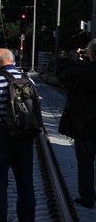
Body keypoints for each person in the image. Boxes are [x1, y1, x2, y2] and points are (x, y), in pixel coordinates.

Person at [0, 48, 36, 221]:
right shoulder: (27, 79)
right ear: (12, 60)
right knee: (25, 183)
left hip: (1, 135)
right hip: (24, 135)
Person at [56, 39, 96, 209]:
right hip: (86, 123)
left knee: (85, 161)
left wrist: (68, 57)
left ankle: (87, 196)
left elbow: (63, 74)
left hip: (85, 124)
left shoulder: (81, 70)